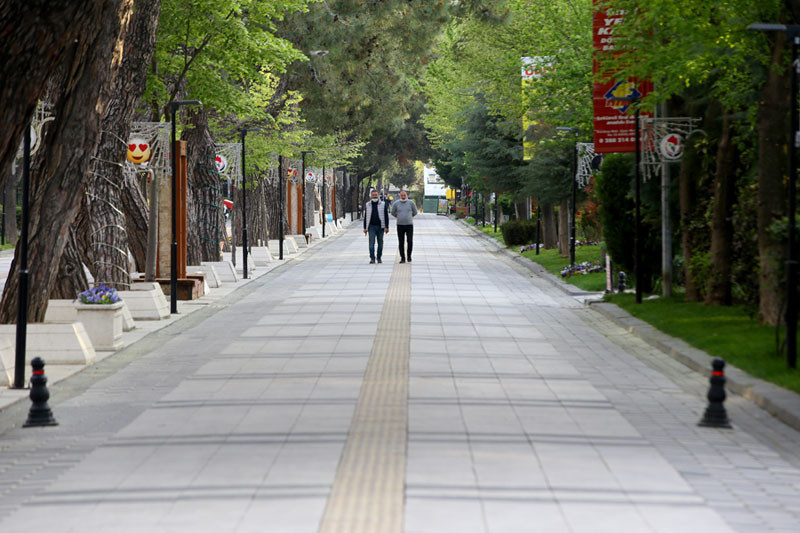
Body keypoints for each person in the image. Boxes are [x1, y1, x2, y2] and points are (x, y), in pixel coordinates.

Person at [391, 189, 418, 263]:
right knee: (401, 242)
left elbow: (415, 212)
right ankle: (402, 257)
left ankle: (409, 256)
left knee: (410, 241)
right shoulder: (396, 203)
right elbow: (392, 212)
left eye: (404, 195)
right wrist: (398, 216)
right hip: (400, 225)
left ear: (406, 195)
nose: (403, 197)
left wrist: (409, 216)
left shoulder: (411, 203)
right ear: (400, 196)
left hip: (409, 224)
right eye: (401, 195)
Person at [363, 189, 389, 264]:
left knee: (380, 243)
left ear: (378, 195)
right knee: (371, 243)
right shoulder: (368, 204)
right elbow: (366, 217)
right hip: (371, 227)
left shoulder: (383, 204)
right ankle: (372, 258)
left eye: (376, 194)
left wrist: (387, 227)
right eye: (373, 195)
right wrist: (365, 227)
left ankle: (379, 257)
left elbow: (386, 216)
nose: (374, 196)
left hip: (381, 226)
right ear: (371, 196)